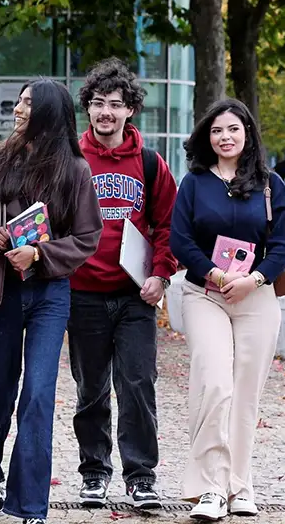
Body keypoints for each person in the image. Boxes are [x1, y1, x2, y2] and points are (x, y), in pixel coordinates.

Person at [0, 79, 102, 524]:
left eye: (27, 103)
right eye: (19, 101)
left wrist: (40, 252)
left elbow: (87, 237)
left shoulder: (75, 171)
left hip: (49, 293)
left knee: (38, 394)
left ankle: (30, 505)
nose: (18, 109)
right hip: (0, 289)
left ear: (49, 114)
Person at [170, 98, 285, 521]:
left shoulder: (269, 184)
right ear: (208, 137)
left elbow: (282, 244)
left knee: (245, 396)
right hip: (205, 293)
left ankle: (239, 486)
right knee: (214, 384)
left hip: (256, 296)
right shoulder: (194, 183)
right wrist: (217, 276)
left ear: (247, 134)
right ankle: (209, 489)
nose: (225, 137)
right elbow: (180, 241)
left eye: (233, 129)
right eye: (217, 131)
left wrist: (254, 279)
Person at [66, 57, 178, 509]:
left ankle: (141, 476)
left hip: (135, 295)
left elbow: (169, 225)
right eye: (97, 103)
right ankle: (94, 472)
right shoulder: (70, 158)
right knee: (90, 389)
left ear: (130, 109)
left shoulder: (151, 164)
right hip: (83, 293)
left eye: (115, 104)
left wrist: (161, 275)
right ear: (88, 108)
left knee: (137, 383)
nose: (105, 112)